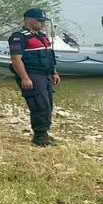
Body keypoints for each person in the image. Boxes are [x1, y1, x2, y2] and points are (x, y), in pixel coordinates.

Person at [8, 8, 60, 147]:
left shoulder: (42, 37)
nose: (43, 24)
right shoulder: (19, 37)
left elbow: (49, 56)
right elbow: (16, 59)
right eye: (40, 21)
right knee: (39, 106)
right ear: (28, 20)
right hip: (32, 75)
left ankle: (45, 133)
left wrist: (54, 72)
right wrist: (25, 78)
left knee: (48, 105)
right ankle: (39, 136)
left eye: (44, 21)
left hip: (46, 75)